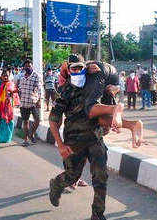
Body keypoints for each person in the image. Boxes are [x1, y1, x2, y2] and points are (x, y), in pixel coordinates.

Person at [49, 61, 109, 220]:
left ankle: (97, 214)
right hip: (74, 141)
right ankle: (56, 184)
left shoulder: (94, 82)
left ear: (85, 68)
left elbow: (108, 76)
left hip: (95, 137)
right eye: (73, 68)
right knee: (72, 176)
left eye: (79, 67)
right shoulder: (65, 91)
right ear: (68, 71)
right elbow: (54, 120)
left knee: (101, 176)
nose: (76, 71)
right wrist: (60, 145)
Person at [0, 69, 19, 142]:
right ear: (1, 76)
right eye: (4, 76)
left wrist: (12, 92)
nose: (5, 77)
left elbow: (13, 92)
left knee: (6, 120)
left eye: (7, 76)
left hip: (6, 106)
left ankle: (6, 137)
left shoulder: (10, 84)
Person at [18, 59, 42, 146]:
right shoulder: (21, 76)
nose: (28, 67)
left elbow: (39, 89)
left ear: (32, 66)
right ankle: (26, 139)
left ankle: (31, 133)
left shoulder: (36, 76)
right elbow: (19, 89)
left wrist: (39, 100)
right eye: (26, 66)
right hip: (23, 102)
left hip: (33, 102)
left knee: (37, 120)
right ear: (24, 67)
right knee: (25, 121)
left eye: (29, 66)